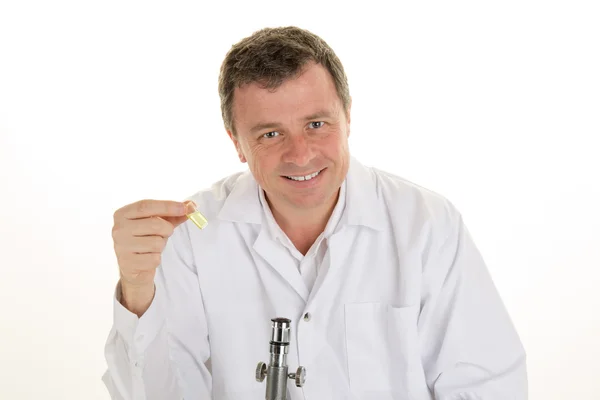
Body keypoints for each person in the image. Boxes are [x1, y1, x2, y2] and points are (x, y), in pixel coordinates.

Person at [102, 26, 528, 400]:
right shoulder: (193, 235)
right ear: (236, 143)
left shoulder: (427, 224)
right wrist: (139, 295)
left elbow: (488, 387)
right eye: (270, 133)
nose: (300, 154)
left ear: (347, 117)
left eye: (316, 124)